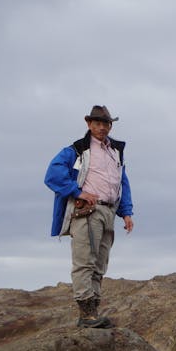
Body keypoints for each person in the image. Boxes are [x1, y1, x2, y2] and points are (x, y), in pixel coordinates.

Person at [45, 106, 134, 328]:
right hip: (87, 211)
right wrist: (77, 192)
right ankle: (86, 313)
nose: (102, 127)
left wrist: (126, 212)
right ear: (89, 124)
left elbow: (121, 181)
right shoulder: (76, 150)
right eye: (97, 123)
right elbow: (53, 174)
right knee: (85, 260)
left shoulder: (115, 151)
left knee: (100, 263)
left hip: (109, 211)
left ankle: (93, 310)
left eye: (106, 123)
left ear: (111, 125)